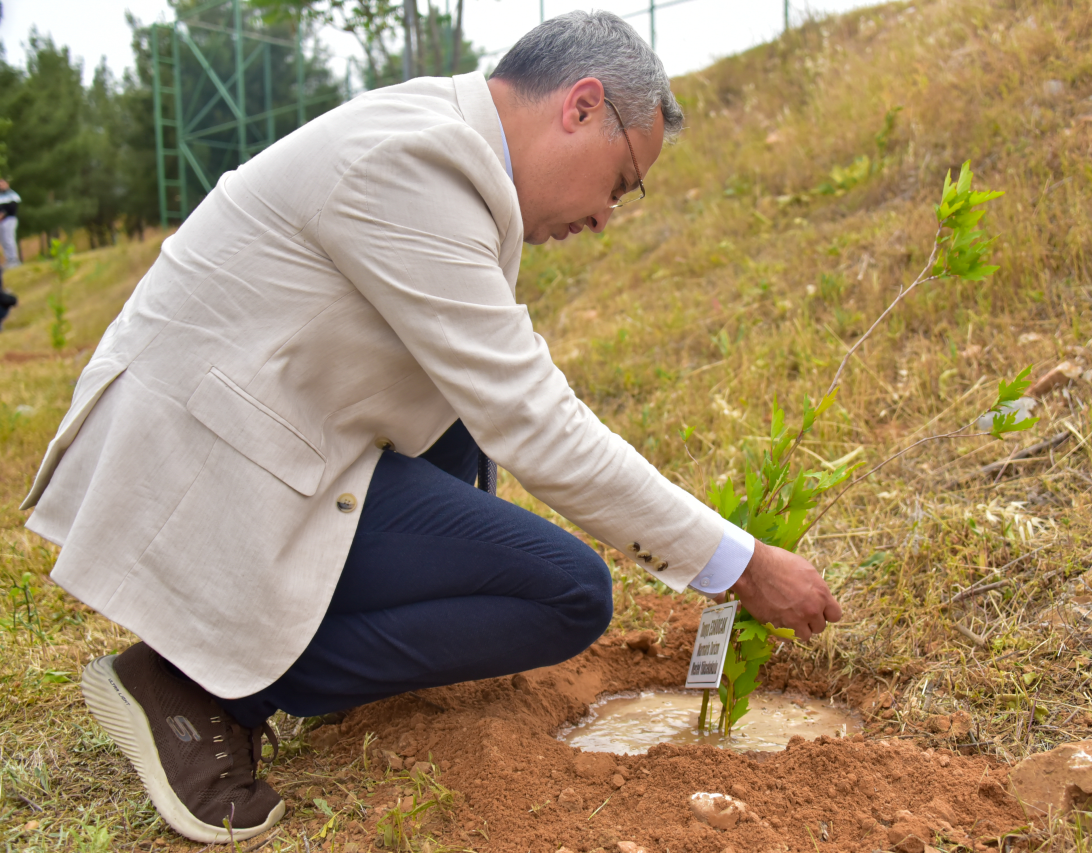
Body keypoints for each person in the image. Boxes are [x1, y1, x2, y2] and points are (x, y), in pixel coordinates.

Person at [21, 12, 842, 845]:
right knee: (568, 592)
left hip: (264, 426)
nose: (605, 217)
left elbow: (490, 396)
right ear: (583, 106)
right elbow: (535, 421)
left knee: (460, 427)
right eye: (623, 182)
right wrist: (737, 563)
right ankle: (201, 687)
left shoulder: (442, 139)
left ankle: (297, 656)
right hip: (205, 458)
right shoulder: (416, 163)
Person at [0, 179, 20, 269]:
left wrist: (3, 214)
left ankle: (14, 259)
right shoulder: (1, 196)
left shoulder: (12, 194)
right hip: (1, 222)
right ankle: (9, 259)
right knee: (3, 241)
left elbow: (12, 208)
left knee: (9, 239)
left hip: (9, 220)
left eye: (3, 183)